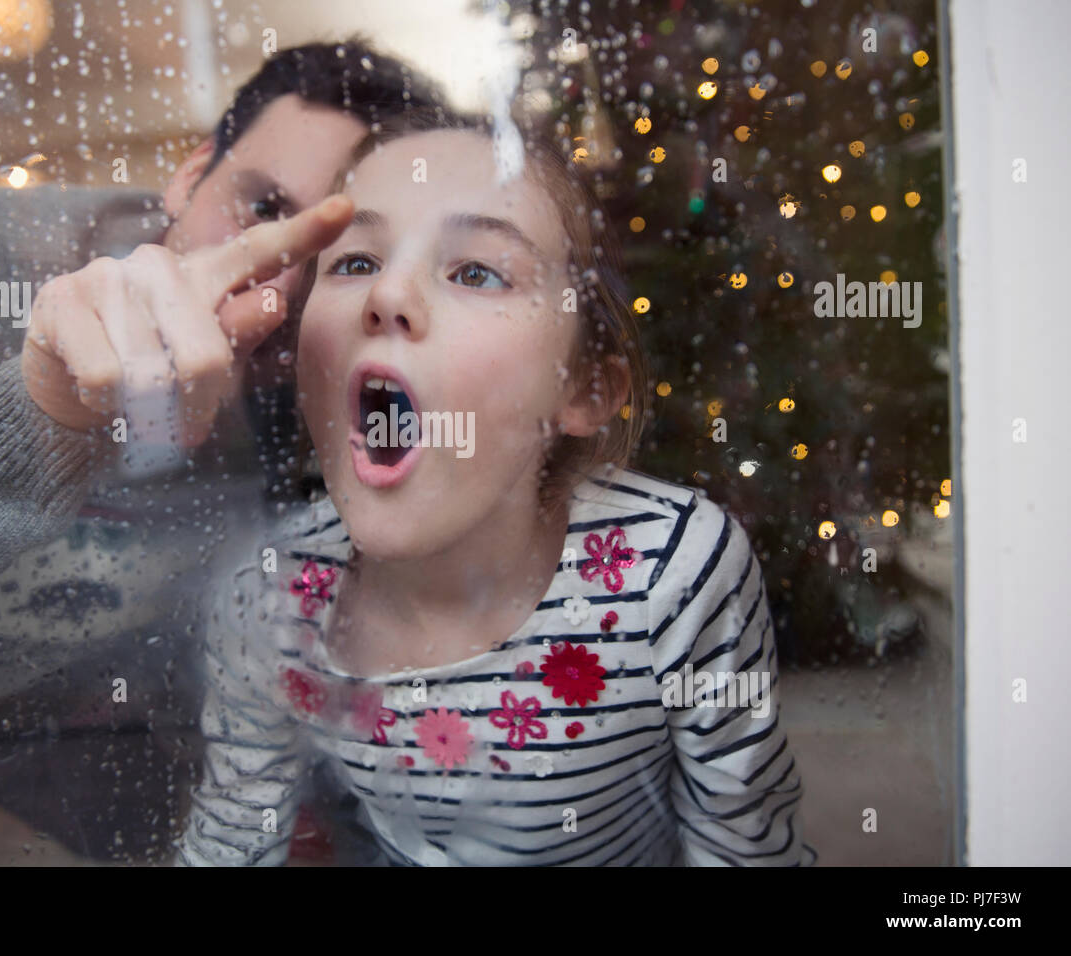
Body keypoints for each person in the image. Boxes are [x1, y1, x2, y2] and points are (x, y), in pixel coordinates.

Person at [0, 38, 446, 860]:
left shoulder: (326, 404)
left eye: (345, 261)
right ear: (191, 173)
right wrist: (42, 417)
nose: (272, 300)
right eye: (264, 209)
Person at [179, 108, 818, 866]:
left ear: (581, 389)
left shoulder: (672, 572)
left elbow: (744, 844)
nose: (388, 294)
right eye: (354, 262)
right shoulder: (268, 600)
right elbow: (231, 835)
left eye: (476, 271)